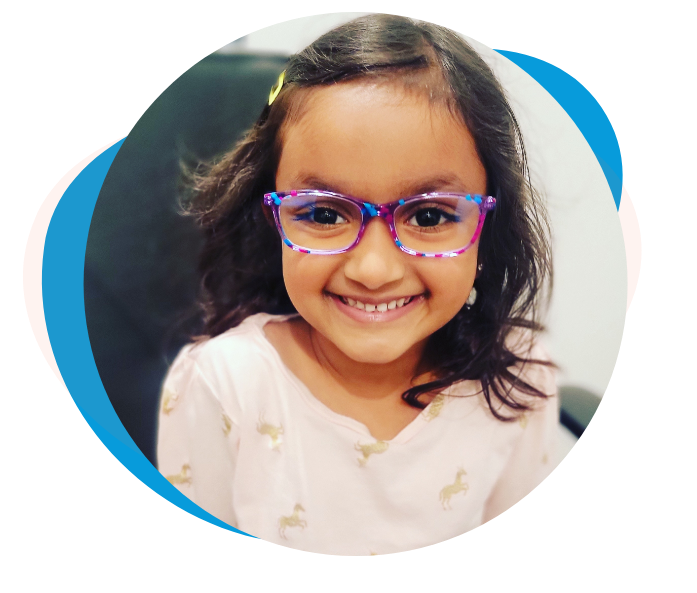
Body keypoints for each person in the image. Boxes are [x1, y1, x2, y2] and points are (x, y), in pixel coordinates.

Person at [157, 14, 558, 555]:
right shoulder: (223, 384)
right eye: (324, 214)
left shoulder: (521, 377)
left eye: (432, 216)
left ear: (490, 226)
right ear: (270, 216)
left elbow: (516, 542)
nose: (373, 270)